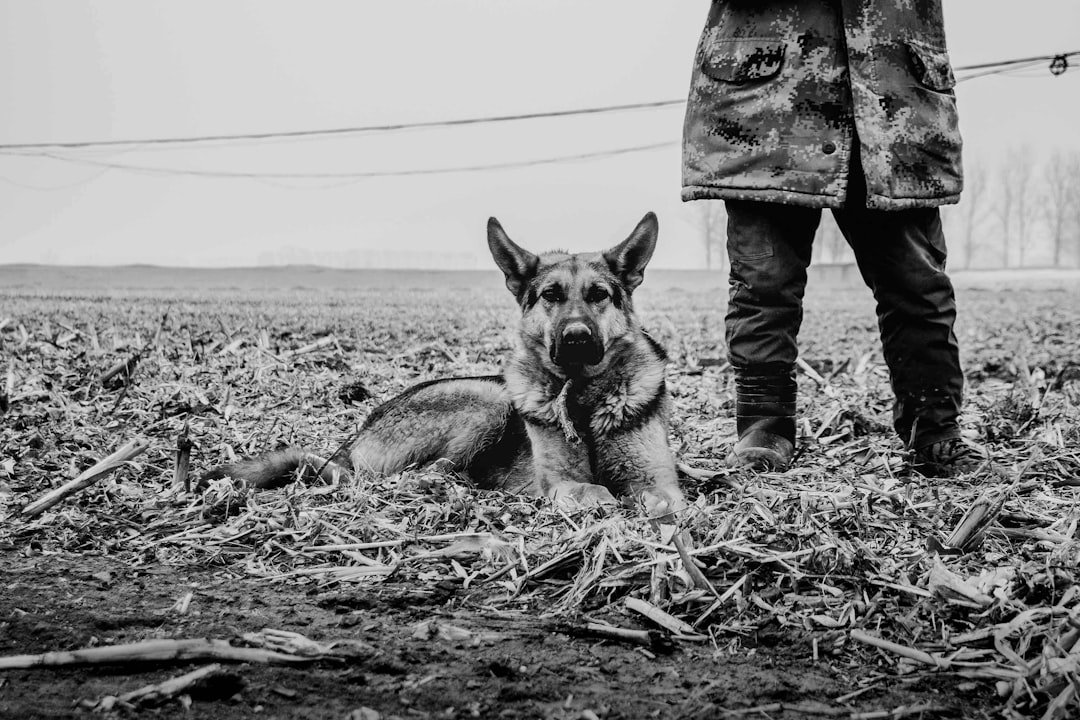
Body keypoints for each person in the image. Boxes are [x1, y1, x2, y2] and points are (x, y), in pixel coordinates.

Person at [681, 0, 987, 476]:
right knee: (764, 286)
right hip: (767, 110)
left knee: (918, 286)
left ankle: (935, 427)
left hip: (893, 107)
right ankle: (765, 427)